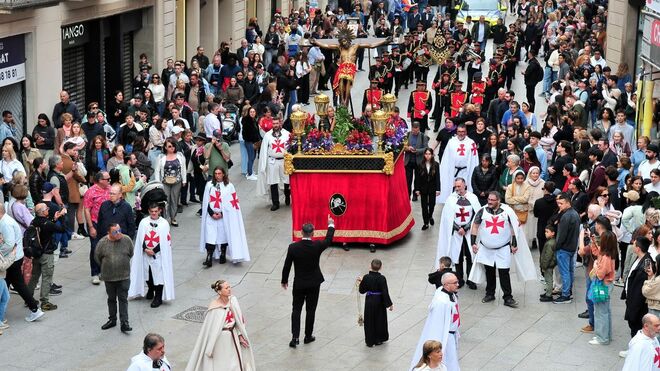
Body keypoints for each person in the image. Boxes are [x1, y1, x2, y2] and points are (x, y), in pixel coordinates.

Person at [470, 191, 537, 307]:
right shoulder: (482, 211)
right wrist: (473, 243)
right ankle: (490, 293)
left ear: (498, 200)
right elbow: (475, 226)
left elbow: (514, 228)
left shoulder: (507, 212)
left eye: (492, 200)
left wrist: (514, 244)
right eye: (489, 200)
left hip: (503, 248)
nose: (489, 202)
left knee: (504, 272)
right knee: (489, 272)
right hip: (487, 248)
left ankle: (507, 297)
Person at [281, 215, 335, 348]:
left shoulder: (293, 247)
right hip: (314, 283)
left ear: (301, 232)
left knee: (296, 309)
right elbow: (328, 240)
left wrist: (284, 280)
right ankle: (308, 336)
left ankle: (295, 338)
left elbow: (287, 265)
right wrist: (330, 225)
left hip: (299, 283)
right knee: (311, 310)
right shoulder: (317, 245)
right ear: (313, 233)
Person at [185, 279, 255, 371]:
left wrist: (240, 335)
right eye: (226, 288)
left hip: (233, 336)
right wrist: (211, 347)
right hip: (221, 341)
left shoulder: (233, 300)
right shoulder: (214, 308)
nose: (229, 289)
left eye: (229, 286)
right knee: (223, 363)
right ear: (219, 291)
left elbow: (239, 321)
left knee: (235, 362)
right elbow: (210, 330)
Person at [200, 167, 250, 267]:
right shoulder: (209, 185)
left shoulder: (229, 186)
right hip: (211, 216)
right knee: (210, 236)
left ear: (223, 174)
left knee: (223, 236)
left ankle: (223, 254)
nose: (217, 175)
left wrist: (222, 214)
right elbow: (206, 202)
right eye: (216, 173)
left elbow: (232, 203)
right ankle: (209, 257)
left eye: (219, 173)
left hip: (224, 216)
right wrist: (211, 213)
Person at [410, 272, 461, 371]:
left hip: (451, 334)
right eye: (455, 283)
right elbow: (436, 325)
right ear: (446, 285)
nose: (457, 284)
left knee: (452, 360)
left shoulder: (450, 295)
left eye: (457, 282)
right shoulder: (441, 302)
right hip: (445, 335)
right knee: (448, 360)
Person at [437, 178, 482, 290]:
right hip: (456, 233)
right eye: (455, 186)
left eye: (459, 186)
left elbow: (476, 215)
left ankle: (471, 280)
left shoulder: (473, 198)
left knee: (470, 256)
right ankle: (459, 279)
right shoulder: (451, 199)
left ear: (464, 185)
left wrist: (466, 228)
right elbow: (447, 218)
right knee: (457, 257)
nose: (457, 188)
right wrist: (458, 228)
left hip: (469, 232)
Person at [128, 204, 175, 308]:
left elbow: (165, 241)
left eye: (156, 211)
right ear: (149, 211)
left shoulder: (164, 224)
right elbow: (141, 237)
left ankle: (158, 297)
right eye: (151, 211)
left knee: (159, 275)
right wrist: (145, 248)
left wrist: (154, 250)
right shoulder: (144, 222)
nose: (153, 213)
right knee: (147, 274)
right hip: (146, 253)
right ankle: (150, 288)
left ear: (160, 211)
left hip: (158, 255)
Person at [94, 223, 133, 333]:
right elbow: (97, 257)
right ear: (109, 233)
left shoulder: (127, 240)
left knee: (123, 299)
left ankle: (124, 322)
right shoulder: (102, 243)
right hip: (109, 277)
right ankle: (112, 319)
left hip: (124, 276)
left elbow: (131, 253)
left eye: (119, 230)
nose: (119, 233)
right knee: (111, 299)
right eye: (115, 232)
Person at [28, 203, 67, 311]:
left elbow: (47, 228)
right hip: (46, 254)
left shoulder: (34, 222)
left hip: (36, 254)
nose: (48, 210)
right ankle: (45, 302)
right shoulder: (47, 223)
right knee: (47, 277)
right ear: (43, 212)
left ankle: (28, 299)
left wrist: (54, 219)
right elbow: (63, 229)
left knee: (34, 276)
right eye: (47, 209)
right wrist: (62, 217)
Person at [589, 231, 617, 345]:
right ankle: (606, 336)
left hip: (603, 285)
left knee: (601, 312)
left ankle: (602, 338)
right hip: (606, 285)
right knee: (605, 311)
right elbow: (596, 251)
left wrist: (596, 266)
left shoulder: (606, 257)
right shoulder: (609, 254)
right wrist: (593, 242)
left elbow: (600, 274)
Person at [357, 259, 393, 347]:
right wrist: (389, 304)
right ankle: (379, 339)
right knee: (380, 320)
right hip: (379, 301)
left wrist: (362, 281)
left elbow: (362, 290)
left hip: (369, 301)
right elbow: (385, 292)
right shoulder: (382, 278)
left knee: (369, 320)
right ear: (380, 267)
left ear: (370, 266)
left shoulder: (366, 277)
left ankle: (369, 340)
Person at [438, 124, 479, 203]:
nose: (461, 133)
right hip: (453, 170)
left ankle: (464, 203)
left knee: (465, 188)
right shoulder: (451, 142)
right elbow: (447, 157)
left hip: (466, 171)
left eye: (463, 131)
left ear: (466, 132)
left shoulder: (471, 143)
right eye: (459, 131)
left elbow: (474, 159)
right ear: (456, 132)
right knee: (453, 188)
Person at [257, 117, 291, 211]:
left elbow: (290, 147)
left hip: (284, 160)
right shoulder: (267, 135)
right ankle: (275, 203)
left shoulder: (287, 134)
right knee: (273, 182)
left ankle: (287, 196)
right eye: (274, 123)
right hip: (272, 161)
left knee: (287, 181)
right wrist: (263, 165)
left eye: (277, 123)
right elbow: (264, 150)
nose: (275, 125)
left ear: (280, 123)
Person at [553, 192, 581, 304]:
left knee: (564, 272)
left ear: (568, 202)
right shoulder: (575, 214)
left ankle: (565, 295)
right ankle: (568, 292)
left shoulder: (566, 216)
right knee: (569, 271)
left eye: (561, 203)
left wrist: (556, 247)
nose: (559, 205)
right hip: (572, 247)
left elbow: (561, 235)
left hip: (564, 248)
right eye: (558, 203)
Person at [624, 237, 654, 339]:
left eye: (634, 244)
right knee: (633, 326)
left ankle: (634, 350)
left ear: (638, 248)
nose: (632, 245)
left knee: (636, 326)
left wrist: (633, 306)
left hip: (637, 303)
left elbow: (639, 289)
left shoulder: (645, 263)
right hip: (632, 299)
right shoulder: (640, 258)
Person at [83, 171, 111, 285]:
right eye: (107, 179)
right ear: (100, 180)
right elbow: (86, 209)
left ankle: (103, 271)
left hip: (108, 223)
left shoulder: (110, 189)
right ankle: (95, 273)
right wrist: (90, 227)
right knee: (95, 248)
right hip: (95, 223)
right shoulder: (91, 192)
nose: (109, 181)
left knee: (107, 248)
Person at [154, 137, 186, 227]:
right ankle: (165, 218)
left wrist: (184, 180)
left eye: (173, 146)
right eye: (169, 146)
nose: (172, 148)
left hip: (177, 181)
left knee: (174, 200)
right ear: (165, 147)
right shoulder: (161, 157)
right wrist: (157, 183)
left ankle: (173, 218)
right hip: (165, 182)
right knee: (166, 200)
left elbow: (183, 169)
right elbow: (157, 171)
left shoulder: (179, 156)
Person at [415, 148, 440, 229]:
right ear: (424, 155)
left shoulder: (436, 165)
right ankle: (426, 223)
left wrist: (438, 189)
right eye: (426, 154)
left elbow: (437, 178)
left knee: (432, 205)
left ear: (432, 155)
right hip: (423, 188)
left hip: (432, 188)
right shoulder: (420, 165)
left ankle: (430, 216)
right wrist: (417, 189)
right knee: (424, 206)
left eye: (429, 154)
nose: (427, 156)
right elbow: (417, 178)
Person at [405, 122, 429, 201]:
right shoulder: (407, 135)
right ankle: (407, 194)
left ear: (419, 129)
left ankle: (415, 194)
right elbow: (403, 146)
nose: (415, 132)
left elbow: (426, 148)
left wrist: (417, 151)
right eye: (413, 130)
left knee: (417, 179)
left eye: (417, 131)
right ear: (411, 128)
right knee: (408, 179)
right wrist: (408, 148)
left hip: (418, 161)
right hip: (408, 161)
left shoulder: (423, 136)